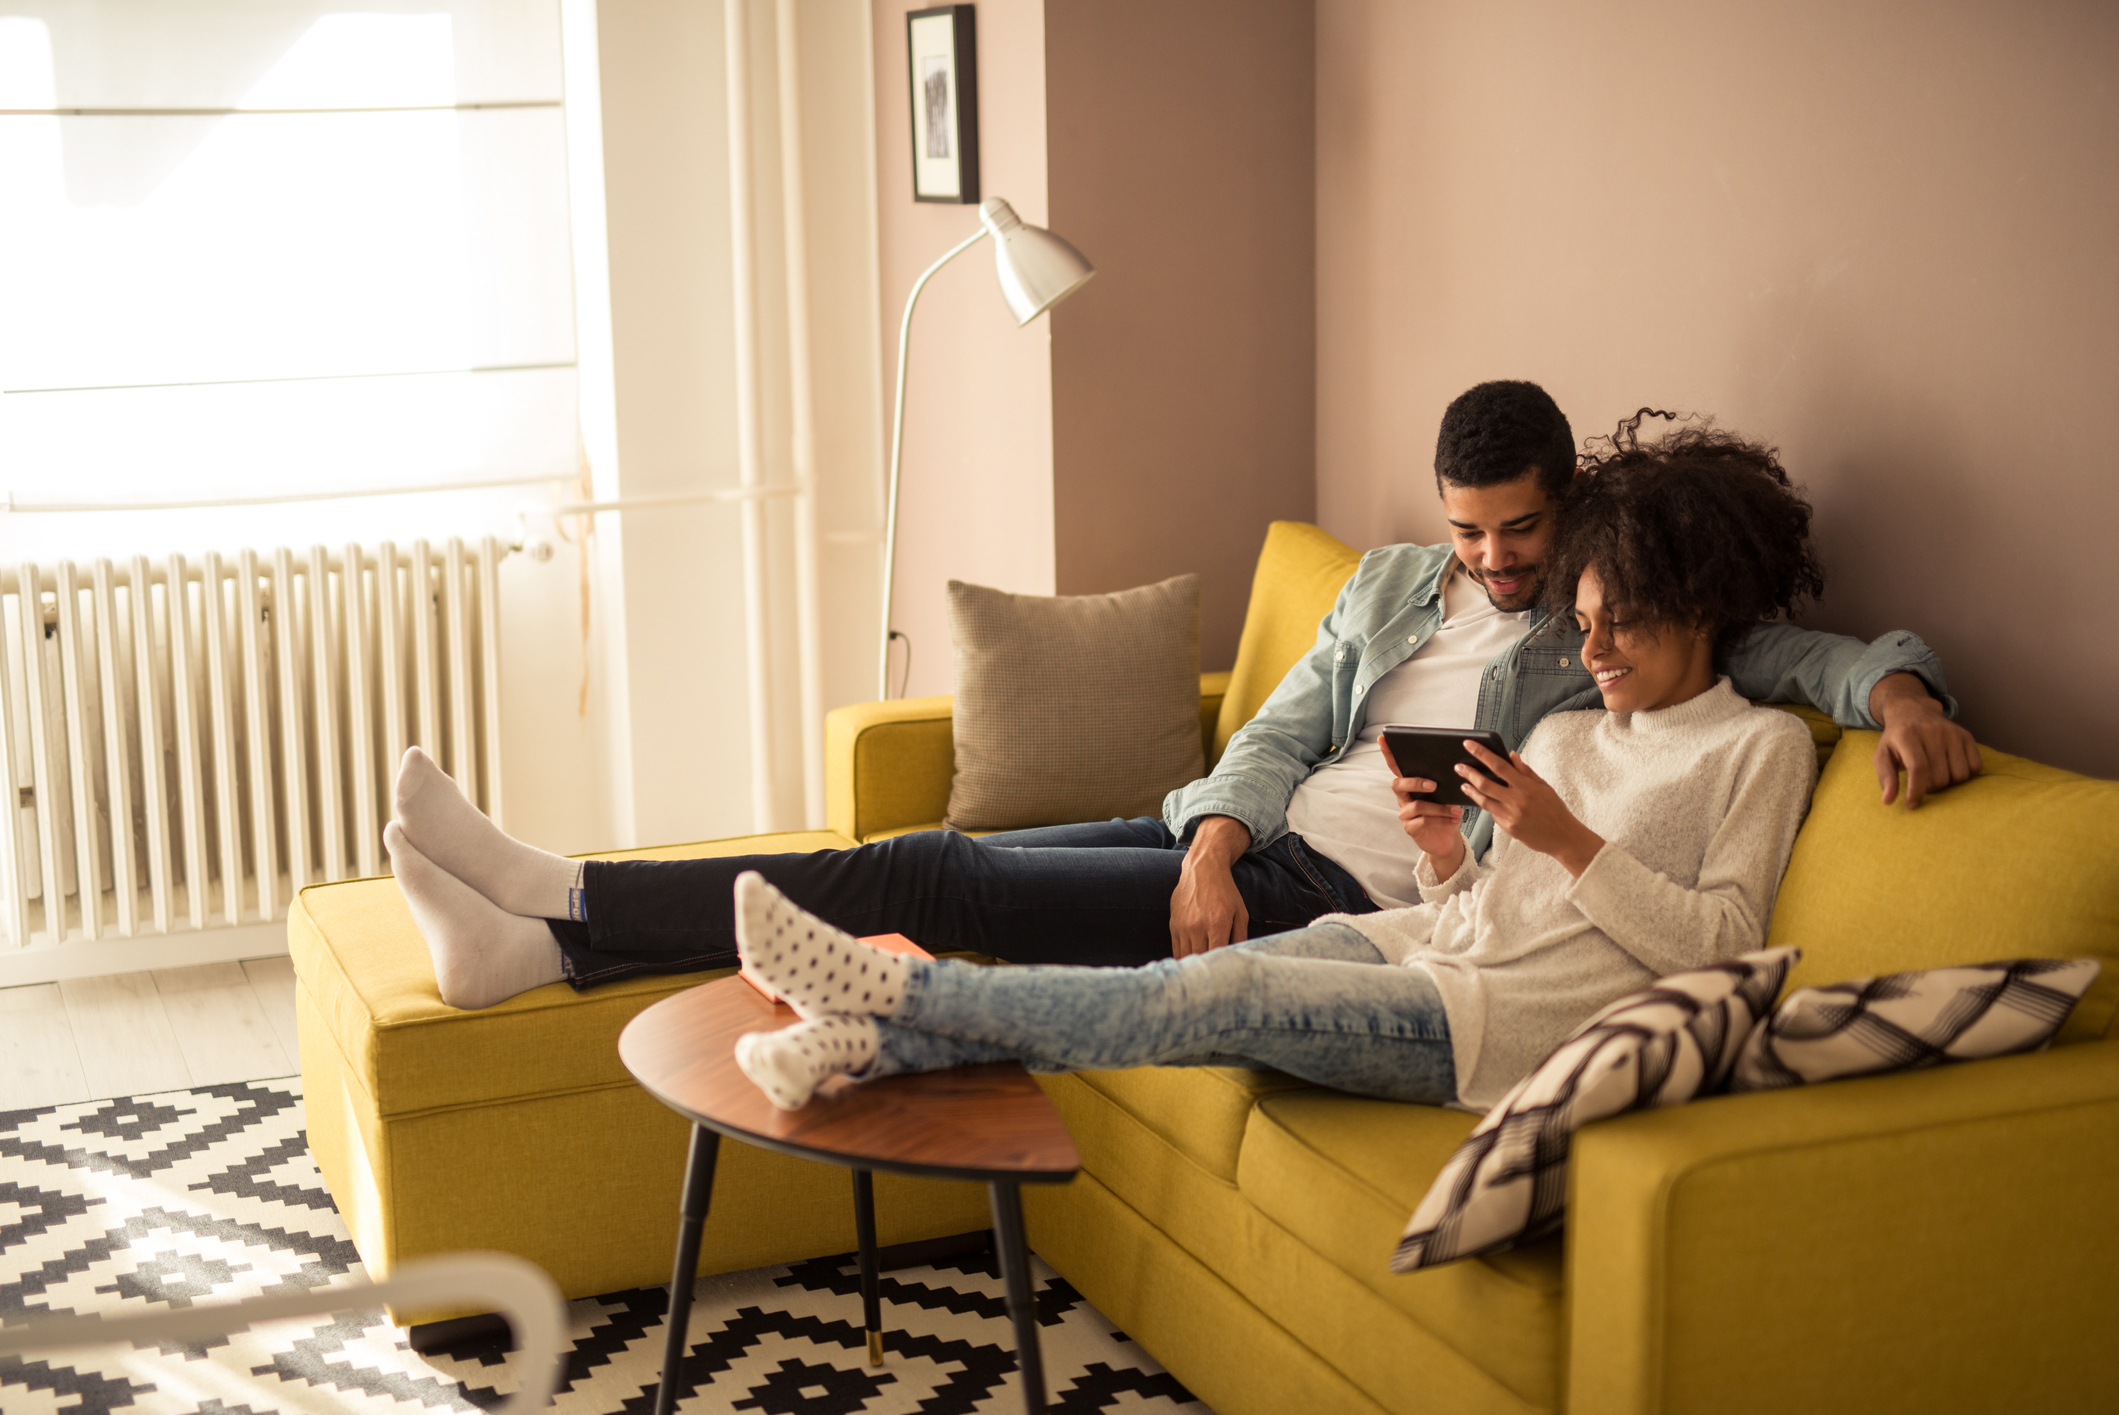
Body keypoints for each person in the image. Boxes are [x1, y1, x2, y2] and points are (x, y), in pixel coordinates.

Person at [383, 383, 1978, 1010]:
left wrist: (1897, 681)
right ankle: (546, 927)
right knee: (912, 865)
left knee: (934, 876)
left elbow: (1782, 655)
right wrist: (1210, 836)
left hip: (1336, 896)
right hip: (1237, 847)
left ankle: (553, 911)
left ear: (1570, 514)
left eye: (1520, 533)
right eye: (1466, 531)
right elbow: (1281, 729)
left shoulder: (1602, 619)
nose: (1495, 562)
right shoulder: (1381, 585)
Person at [725, 426, 1824, 1111]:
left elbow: (1725, 946)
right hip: (1419, 943)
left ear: (1703, 609)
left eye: (1620, 627)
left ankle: (898, 994)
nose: (1591, 654)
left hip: (1491, 1024)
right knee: (1173, 986)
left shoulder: (1755, 748)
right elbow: (1487, 903)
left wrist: (1562, 838)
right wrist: (1446, 858)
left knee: (1195, 999)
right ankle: (867, 1043)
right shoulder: (1572, 733)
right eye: (1582, 624)